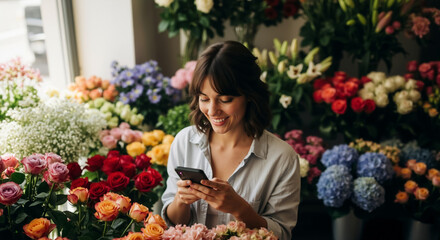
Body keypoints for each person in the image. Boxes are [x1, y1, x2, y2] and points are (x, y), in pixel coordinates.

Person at [161, 41, 300, 239]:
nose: (212, 110)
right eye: (204, 98)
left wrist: (240, 209)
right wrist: (181, 201)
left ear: (249, 96)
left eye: (225, 100)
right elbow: (171, 223)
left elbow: (282, 234)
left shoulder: (282, 158)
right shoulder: (184, 142)